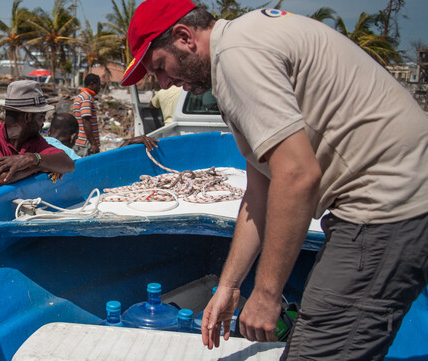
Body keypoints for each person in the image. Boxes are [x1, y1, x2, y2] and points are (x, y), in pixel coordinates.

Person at [122, 0, 428, 359]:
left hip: (387, 204)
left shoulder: (237, 58)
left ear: (185, 36)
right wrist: (229, 287)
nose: (164, 82)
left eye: (159, 66)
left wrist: (267, 295)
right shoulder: (245, 42)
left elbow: (297, 175)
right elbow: (260, 190)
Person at [0, 80, 75, 200]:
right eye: (42, 117)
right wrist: (39, 166)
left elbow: (68, 163)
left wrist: (32, 159)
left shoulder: (34, 141)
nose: (43, 123)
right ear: (28, 116)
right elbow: (3, 176)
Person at [72, 74, 102, 157]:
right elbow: (86, 121)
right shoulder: (86, 98)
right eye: (98, 85)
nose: (99, 87)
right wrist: (93, 143)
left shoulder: (80, 96)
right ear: (92, 84)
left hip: (81, 140)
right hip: (86, 142)